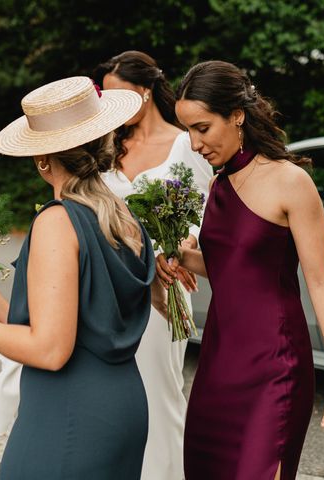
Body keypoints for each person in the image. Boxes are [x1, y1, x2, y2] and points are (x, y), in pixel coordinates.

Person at [0, 76, 162, 479]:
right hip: (121, 406)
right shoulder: (125, 218)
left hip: (70, 412)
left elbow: (50, 350)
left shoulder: (59, 222)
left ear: (43, 159)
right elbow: (65, 328)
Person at [156, 61, 324, 480]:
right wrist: (176, 256)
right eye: (188, 130)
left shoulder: (291, 182)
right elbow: (229, 266)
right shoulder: (218, 186)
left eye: (202, 128)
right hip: (217, 367)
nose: (194, 144)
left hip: (274, 368)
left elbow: (322, 281)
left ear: (237, 115)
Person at [95, 50, 212, 480]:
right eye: (104, 97)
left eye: (117, 95)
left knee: (160, 388)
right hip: (108, 284)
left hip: (164, 281)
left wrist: (176, 247)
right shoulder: (106, 147)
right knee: (111, 395)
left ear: (144, 92)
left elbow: (201, 212)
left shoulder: (186, 143)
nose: (109, 106)